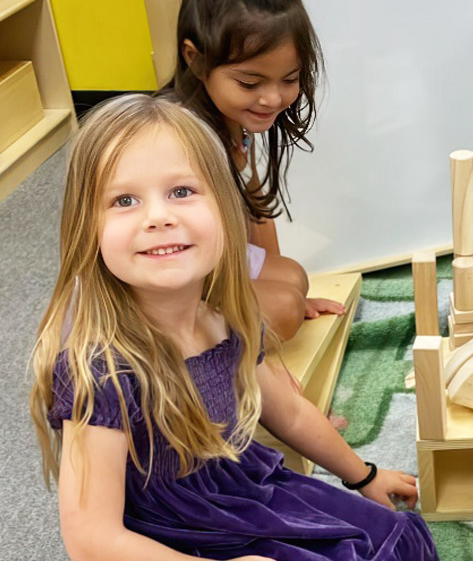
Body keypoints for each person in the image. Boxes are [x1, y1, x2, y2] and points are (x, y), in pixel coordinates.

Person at [29, 95, 437, 561]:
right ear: (87, 227)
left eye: (181, 191)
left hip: (245, 490)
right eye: (125, 200)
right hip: (171, 540)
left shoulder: (223, 319)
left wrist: (364, 475)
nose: (159, 217)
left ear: (224, 207)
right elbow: (90, 539)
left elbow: (292, 415)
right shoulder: (99, 372)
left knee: (390, 540)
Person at [163, 0, 343, 340]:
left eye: (290, 79)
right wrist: (271, 308)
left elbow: (254, 203)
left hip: (217, 262)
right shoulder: (178, 139)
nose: (272, 98)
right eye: (249, 82)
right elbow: (170, 256)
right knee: (282, 308)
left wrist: (282, 288)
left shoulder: (231, 119)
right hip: (173, 279)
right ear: (195, 59)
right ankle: (199, 355)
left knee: (295, 280)